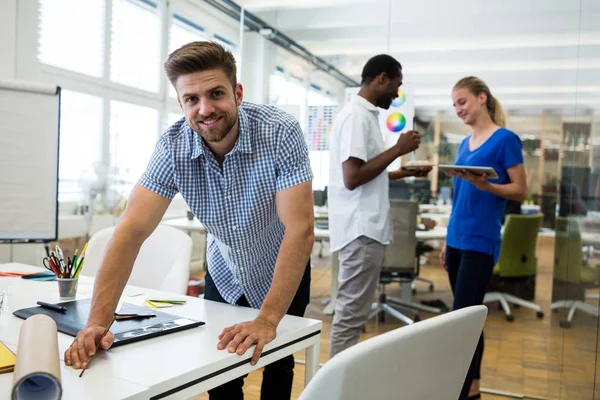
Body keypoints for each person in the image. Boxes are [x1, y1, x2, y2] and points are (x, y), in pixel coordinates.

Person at [63, 41, 315, 400]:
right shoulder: (172, 147)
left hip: (282, 264)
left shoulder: (279, 133)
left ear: (237, 92)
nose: (205, 109)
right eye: (191, 99)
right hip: (225, 270)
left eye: (216, 94)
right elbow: (130, 233)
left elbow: (300, 230)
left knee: (278, 358)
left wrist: (267, 319)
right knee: (221, 368)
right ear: (180, 103)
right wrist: (97, 323)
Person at [328, 54, 430, 358]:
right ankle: (336, 387)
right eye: (396, 85)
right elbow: (352, 177)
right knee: (350, 317)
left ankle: (340, 382)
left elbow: (365, 171)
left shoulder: (364, 115)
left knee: (354, 314)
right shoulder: (357, 116)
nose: (396, 94)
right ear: (381, 78)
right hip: (361, 231)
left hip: (365, 229)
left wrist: (401, 172)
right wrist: (398, 149)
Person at [439, 76, 527, 400]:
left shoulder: (505, 140)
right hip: (458, 237)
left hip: (481, 239)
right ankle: (471, 386)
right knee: (468, 316)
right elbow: (460, 197)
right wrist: (448, 241)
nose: (458, 109)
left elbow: (520, 189)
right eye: (454, 105)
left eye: (462, 102)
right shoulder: (465, 144)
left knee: (463, 319)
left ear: (481, 98)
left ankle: (459, 389)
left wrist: (487, 185)